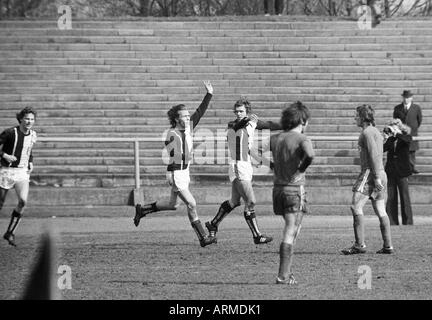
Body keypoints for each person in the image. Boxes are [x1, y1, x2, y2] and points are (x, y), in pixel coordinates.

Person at [133, 81, 217, 248]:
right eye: (184, 116)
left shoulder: (188, 128)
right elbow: (174, 156)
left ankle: (143, 210)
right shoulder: (171, 134)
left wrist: (209, 94)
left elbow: (199, 112)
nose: (188, 117)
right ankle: (203, 237)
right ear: (177, 119)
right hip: (176, 173)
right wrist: (186, 158)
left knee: (174, 205)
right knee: (192, 204)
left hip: (184, 171)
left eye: (187, 115)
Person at [205, 98, 281, 245]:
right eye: (237, 111)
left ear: (247, 111)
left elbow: (269, 126)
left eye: (242, 111)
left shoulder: (252, 124)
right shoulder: (233, 125)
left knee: (234, 201)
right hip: (237, 166)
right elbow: (237, 125)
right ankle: (257, 236)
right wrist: (247, 119)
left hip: (245, 166)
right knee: (251, 201)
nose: (238, 113)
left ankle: (213, 223)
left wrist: (288, 124)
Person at [269, 101, 314, 285]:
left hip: (277, 190)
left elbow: (254, 151)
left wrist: (274, 166)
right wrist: (301, 169)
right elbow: (310, 155)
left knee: (292, 228)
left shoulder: (275, 138)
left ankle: (287, 272)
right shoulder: (302, 139)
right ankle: (283, 275)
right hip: (294, 190)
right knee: (291, 231)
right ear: (302, 120)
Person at [341, 104, 394, 255]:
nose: (354, 118)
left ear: (363, 117)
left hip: (371, 173)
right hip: (380, 173)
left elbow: (374, 155)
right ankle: (388, 246)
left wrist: (376, 177)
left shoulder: (367, 132)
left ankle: (359, 245)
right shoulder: (374, 131)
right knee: (381, 209)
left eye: (356, 115)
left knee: (355, 206)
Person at [1, 107, 38, 247]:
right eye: (27, 118)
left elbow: (29, 150)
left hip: (22, 172)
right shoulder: (10, 133)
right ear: (21, 119)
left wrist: (30, 162)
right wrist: (5, 155)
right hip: (5, 171)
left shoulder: (33, 135)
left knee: (23, 202)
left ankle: (10, 232)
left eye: (32, 119)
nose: (29, 121)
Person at [383, 119, 413, 225]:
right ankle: (392, 221)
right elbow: (383, 148)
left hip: (402, 171)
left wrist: (398, 133)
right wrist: (388, 137)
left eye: (394, 125)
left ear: (399, 126)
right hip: (391, 171)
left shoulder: (406, 136)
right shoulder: (392, 138)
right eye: (391, 125)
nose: (392, 127)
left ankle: (408, 221)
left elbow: (407, 141)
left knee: (405, 197)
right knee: (391, 197)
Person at [393, 90, 422, 174]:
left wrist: (413, 128)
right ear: (403, 98)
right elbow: (395, 120)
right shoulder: (397, 108)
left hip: (412, 132)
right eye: (405, 98)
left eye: (408, 98)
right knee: (402, 151)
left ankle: (412, 168)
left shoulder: (416, 108)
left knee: (412, 151)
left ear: (411, 98)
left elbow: (419, 120)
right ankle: (404, 167)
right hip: (401, 133)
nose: (406, 99)